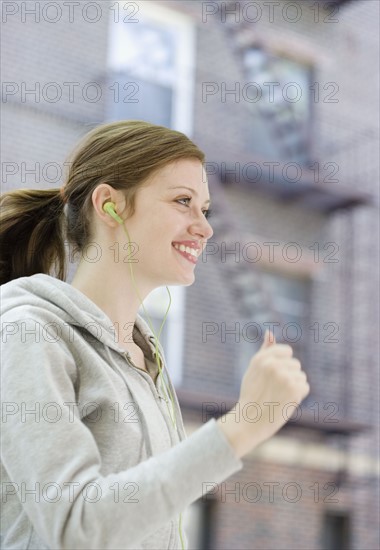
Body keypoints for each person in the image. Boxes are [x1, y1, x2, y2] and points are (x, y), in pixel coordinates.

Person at [0, 120, 310, 550]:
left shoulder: (143, 356)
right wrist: (244, 424)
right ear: (110, 205)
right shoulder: (29, 333)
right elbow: (76, 526)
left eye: (205, 209)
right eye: (183, 201)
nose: (205, 227)